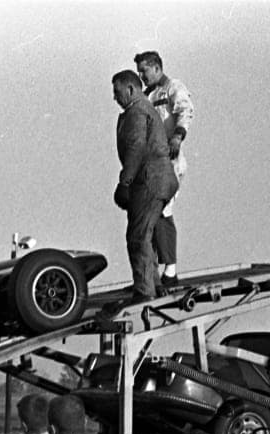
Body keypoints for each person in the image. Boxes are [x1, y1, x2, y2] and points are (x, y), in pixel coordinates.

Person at [111, 70, 179, 305]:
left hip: (150, 181)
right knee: (145, 233)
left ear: (130, 89)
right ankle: (152, 284)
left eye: (117, 92)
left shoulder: (137, 111)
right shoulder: (145, 109)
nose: (115, 98)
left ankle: (144, 290)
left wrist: (125, 182)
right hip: (160, 180)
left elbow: (136, 146)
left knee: (137, 235)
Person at [134, 51, 194, 289]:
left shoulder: (173, 88)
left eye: (144, 71)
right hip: (153, 164)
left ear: (157, 68)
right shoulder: (148, 95)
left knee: (162, 212)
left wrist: (178, 137)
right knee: (151, 215)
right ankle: (155, 273)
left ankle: (170, 271)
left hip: (170, 161)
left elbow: (185, 111)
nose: (141, 75)